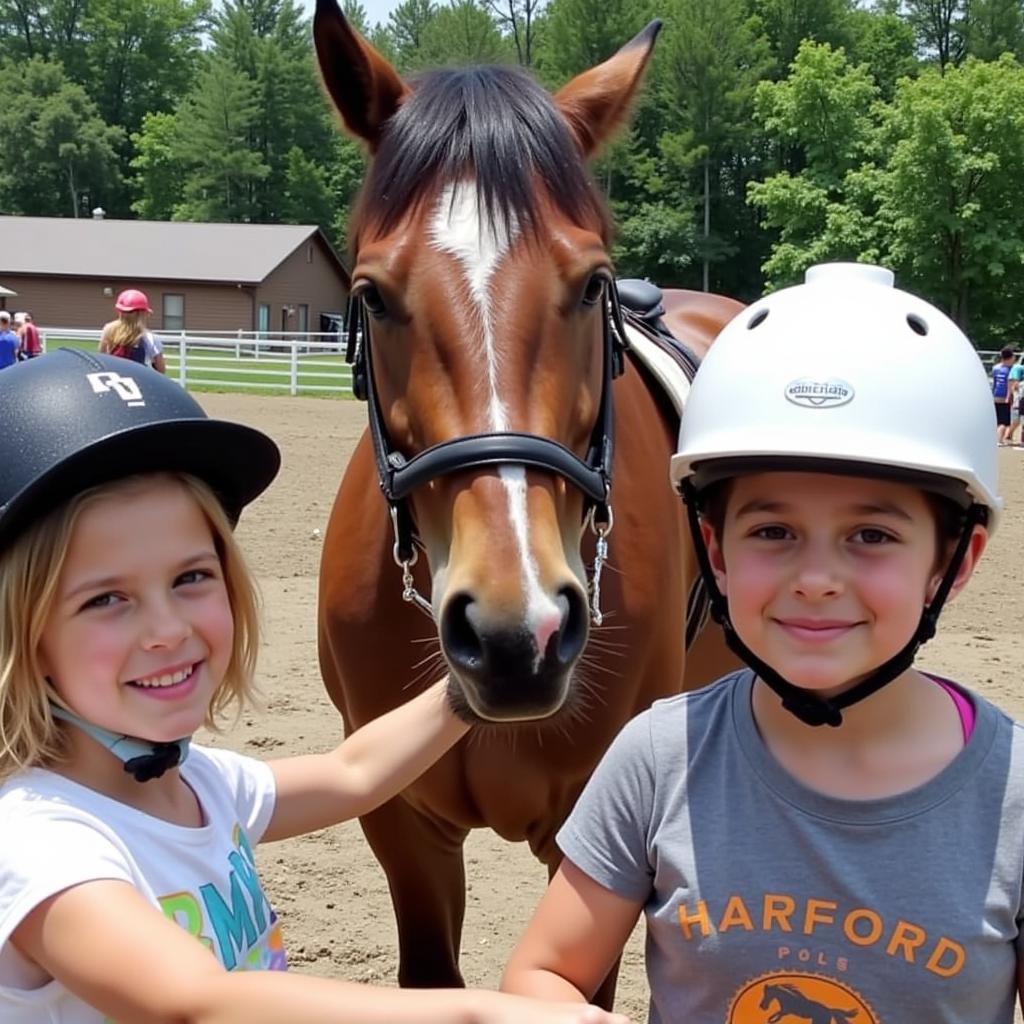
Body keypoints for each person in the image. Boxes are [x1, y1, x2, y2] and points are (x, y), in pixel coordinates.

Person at [0, 351, 628, 1024]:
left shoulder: (195, 786)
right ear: (19, 634)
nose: (166, 629)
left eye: (191, 578)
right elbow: (193, 1002)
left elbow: (353, 773)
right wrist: (485, 1015)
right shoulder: (41, 841)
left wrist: (479, 678)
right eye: (106, 600)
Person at [503, 263, 1019, 1022]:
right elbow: (545, 974)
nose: (815, 579)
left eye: (871, 535)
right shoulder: (659, 757)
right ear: (714, 551)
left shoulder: (1009, 800)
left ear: (955, 560)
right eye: (772, 532)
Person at [99, 288, 166, 374]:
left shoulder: (108, 330)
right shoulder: (150, 338)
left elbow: (101, 358)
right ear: (143, 313)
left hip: (114, 380)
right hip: (139, 382)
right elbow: (161, 370)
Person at [991, 345, 1015, 445]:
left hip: (995, 395)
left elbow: (995, 382)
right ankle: (999, 440)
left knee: (997, 419)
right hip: (1005, 397)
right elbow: (1010, 385)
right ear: (1010, 358)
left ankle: (996, 438)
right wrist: (1010, 397)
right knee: (1003, 421)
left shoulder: (995, 368)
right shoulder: (1010, 370)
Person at [1008, 355, 1024, 447]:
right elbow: (1015, 386)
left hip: (1020, 399)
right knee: (1019, 421)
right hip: (1021, 400)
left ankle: (1009, 435)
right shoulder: (1018, 368)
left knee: (1019, 421)